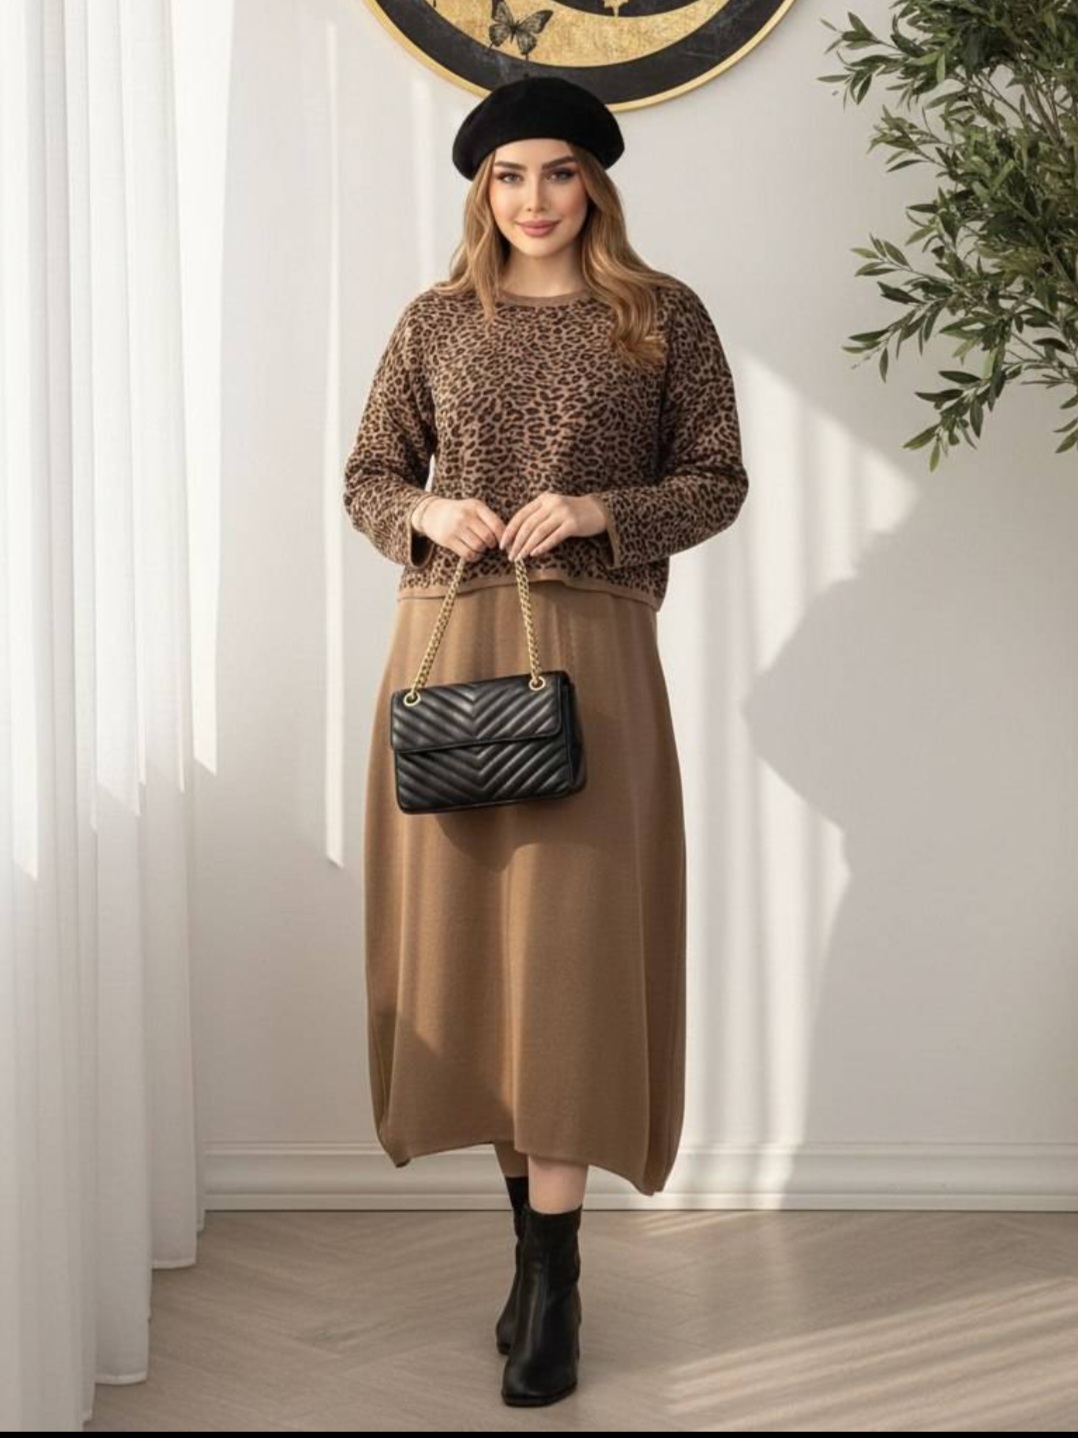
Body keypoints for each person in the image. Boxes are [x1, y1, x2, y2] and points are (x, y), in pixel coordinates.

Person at [342, 75, 749, 1407]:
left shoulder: (659, 315)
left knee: (570, 957)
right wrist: (426, 512)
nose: (533, 199)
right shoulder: (434, 321)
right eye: (508, 175)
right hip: (447, 639)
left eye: (558, 172)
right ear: (482, 190)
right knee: (475, 958)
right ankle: (529, 1258)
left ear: (595, 184)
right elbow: (366, 475)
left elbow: (716, 479)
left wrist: (594, 509)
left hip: (593, 646)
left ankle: (557, 1282)